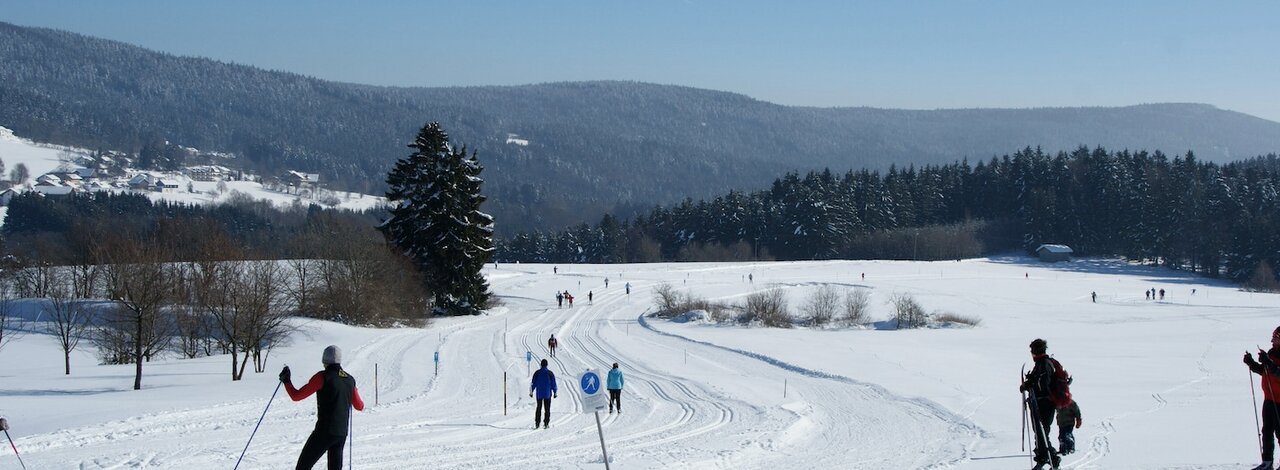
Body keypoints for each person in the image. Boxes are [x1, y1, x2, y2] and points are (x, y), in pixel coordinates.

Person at [280, 345, 365, 470]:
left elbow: (296, 396)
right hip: (341, 433)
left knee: (303, 467)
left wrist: (287, 381)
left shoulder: (322, 377)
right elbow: (360, 406)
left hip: (324, 432)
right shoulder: (350, 379)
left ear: (324, 360)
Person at [1020, 338, 1062, 470]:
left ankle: (1052, 459)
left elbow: (1043, 384)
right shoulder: (1042, 364)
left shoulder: (1044, 364)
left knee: (1042, 432)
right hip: (1041, 403)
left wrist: (1030, 384)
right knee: (1040, 433)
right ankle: (1043, 457)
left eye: (1032, 351)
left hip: (1044, 404)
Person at [1244, 326, 1280, 470]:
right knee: (1267, 431)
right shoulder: (1272, 353)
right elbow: (1265, 372)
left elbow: (1277, 372)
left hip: (1279, 401)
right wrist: (1252, 363)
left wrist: (1268, 363)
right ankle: (1267, 462)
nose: (1272, 340)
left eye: (1275, 338)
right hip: (1269, 399)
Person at [530, 359, 558, 429]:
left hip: (539, 394)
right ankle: (546, 423)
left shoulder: (537, 373)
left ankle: (537, 423)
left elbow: (533, 383)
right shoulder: (550, 373)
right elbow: (553, 384)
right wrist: (555, 392)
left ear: (541, 364)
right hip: (547, 394)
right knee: (547, 409)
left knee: (538, 408)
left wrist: (531, 392)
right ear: (547, 365)